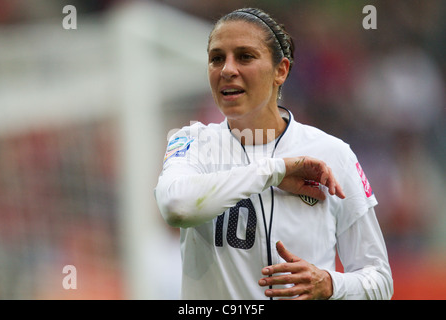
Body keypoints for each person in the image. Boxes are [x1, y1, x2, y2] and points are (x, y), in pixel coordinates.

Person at [155, 8, 393, 300]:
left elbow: (380, 280)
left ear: (280, 70)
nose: (227, 69)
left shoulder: (333, 154)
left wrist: (330, 284)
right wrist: (276, 170)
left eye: (245, 56)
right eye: (217, 58)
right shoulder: (192, 142)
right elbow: (176, 206)